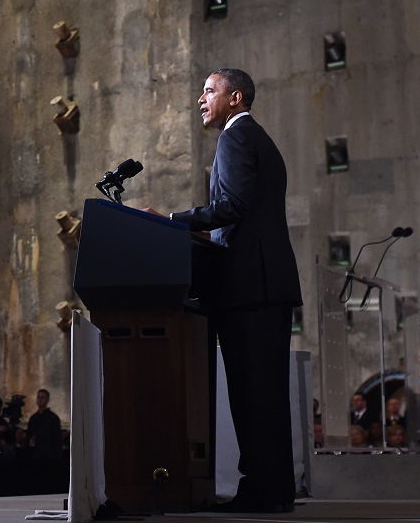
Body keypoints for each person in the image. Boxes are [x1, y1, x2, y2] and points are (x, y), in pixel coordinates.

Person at [155, 68, 302, 514]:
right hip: (267, 284)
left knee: (252, 394)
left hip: (249, 286)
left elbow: (233, 206)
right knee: (267, 393)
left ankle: (260, 492)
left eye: (209, 91)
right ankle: (275, 491)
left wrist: (173, 221)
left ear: (235, 98)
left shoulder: (235, 138)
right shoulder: (259, 139)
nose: (201, 99)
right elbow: (246, 212)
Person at [25, 389, 62, 459]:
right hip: (34, 454)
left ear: (47, 400)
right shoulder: (33, 418)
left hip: (48, 455)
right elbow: (28, 435)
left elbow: (57, 439)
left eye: (42, 397)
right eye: (38, 397)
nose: (39, 400)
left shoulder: (53, 418)